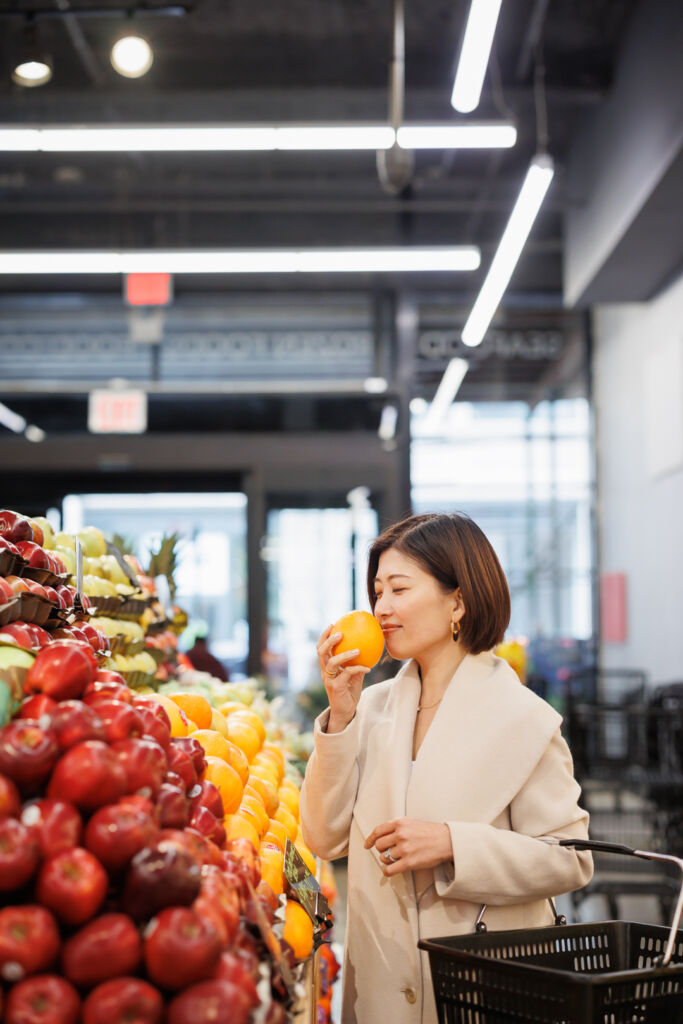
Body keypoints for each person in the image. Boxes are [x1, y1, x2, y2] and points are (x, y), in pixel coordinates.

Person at [299, 512, 593, 1024]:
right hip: (380, 990)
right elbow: (323, 839)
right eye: (377, 591)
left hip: (481, 990)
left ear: (457, 601)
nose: (381, 609)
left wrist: (454, 844)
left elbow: (570, 859)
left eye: (399, 589)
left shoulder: (524, 718)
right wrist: (342, 713)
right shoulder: (370, 709)